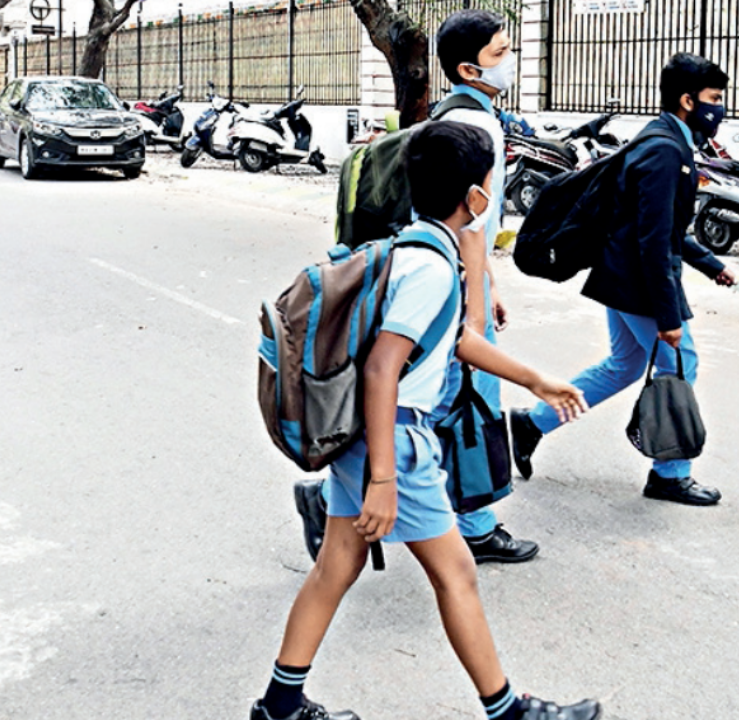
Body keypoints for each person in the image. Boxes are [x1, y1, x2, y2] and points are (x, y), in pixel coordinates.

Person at [252, 121, 599, 720]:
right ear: (475, 197)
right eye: (492, 181)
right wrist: (385, 478)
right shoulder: (433, 267)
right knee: (457, 572)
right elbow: (383, 369)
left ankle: (280, 706)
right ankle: (508, 711)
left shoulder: (411, 248)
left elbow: (449, 339)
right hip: (395, 440)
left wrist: (534, 380)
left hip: (364, 438)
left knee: (337, 566)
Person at [295, 10, 538, 566]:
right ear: (468, 69)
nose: (510, 62)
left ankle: (333, 496)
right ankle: (475, 526)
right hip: (447, 289)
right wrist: (474, 313)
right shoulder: (478, 128)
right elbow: (472, 229)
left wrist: (488, 283)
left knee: (448, 403)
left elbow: (473, 222)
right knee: (471, 403)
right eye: (501, 54)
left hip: (448, 280)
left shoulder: (455, 118)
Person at [509, 53, 738, 507]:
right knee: (678, 363)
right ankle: (669, 475)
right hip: (637, 280)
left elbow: (659, 227)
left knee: (626, 364)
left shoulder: (663, 140)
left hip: (622, 275)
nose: (720, 109)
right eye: (714, 100)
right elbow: (652, 240)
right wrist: (668, 316)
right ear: (688, 100)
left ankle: (533, 422)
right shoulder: (665, 151)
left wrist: (710, 263)